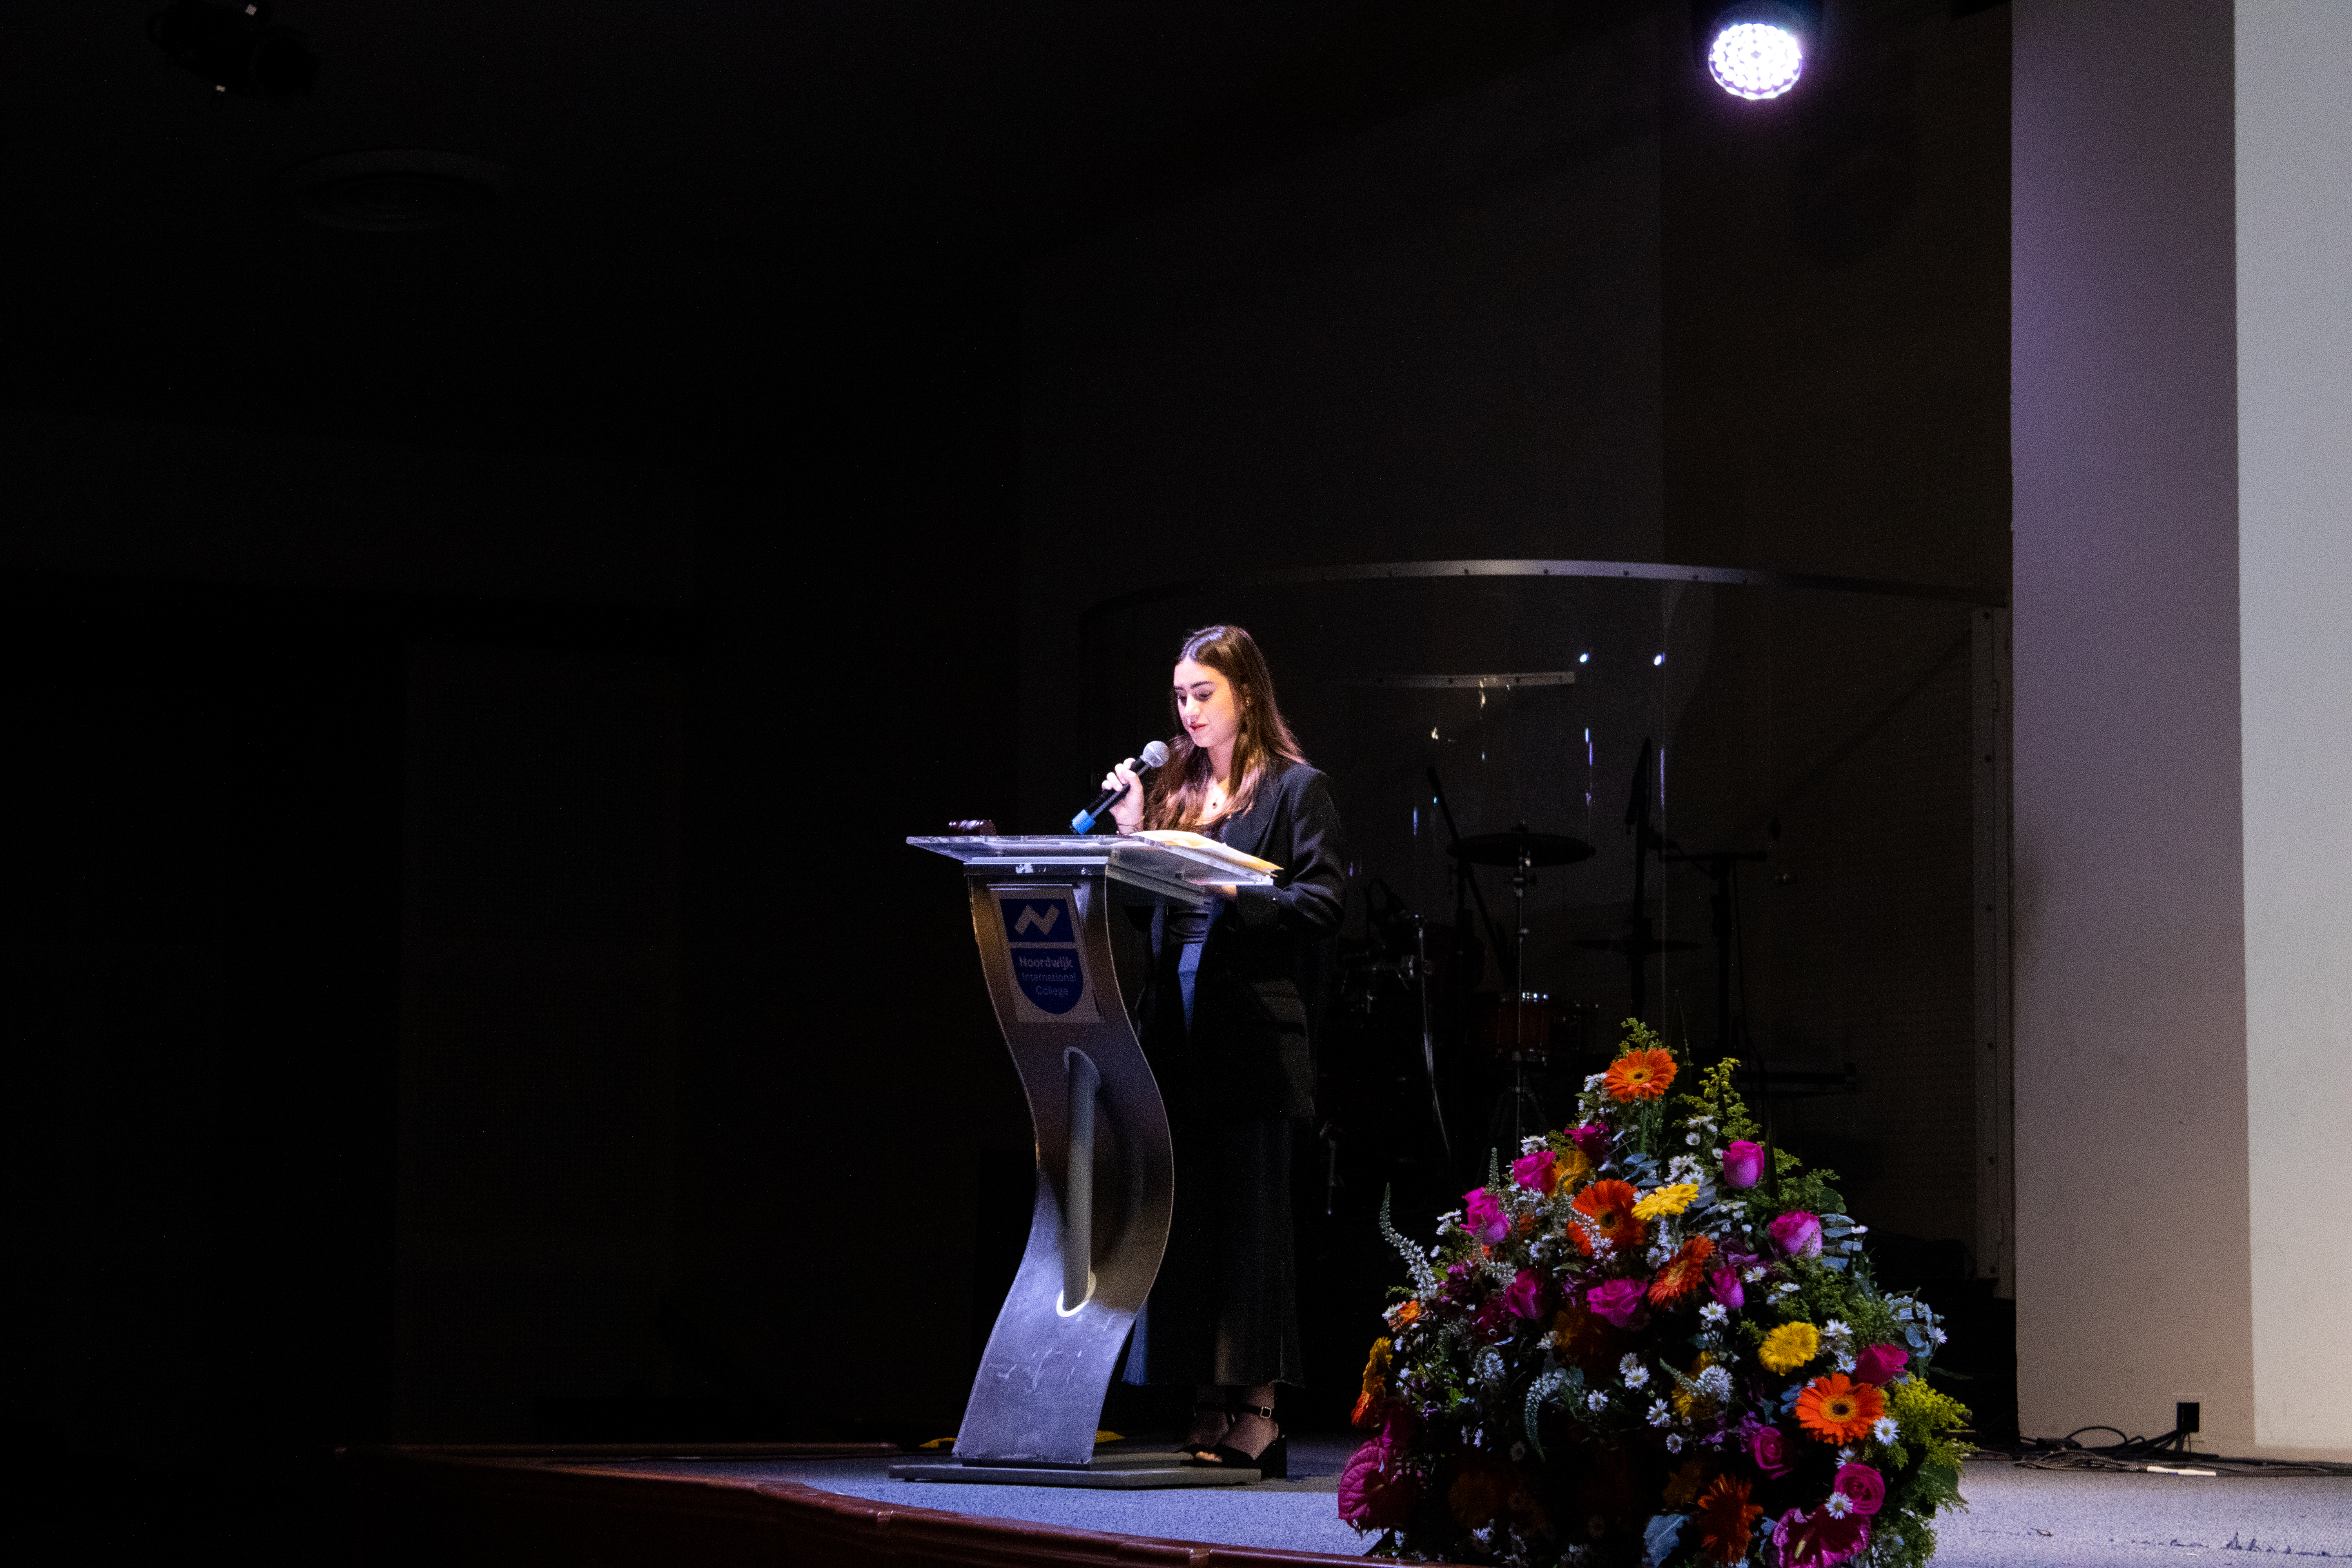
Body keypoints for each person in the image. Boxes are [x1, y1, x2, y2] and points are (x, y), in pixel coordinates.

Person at [1097, 623, 1345, 1479]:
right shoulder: (1175, 792)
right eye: (1179, 696)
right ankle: (1206, 1402)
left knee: (1251, 1225)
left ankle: (1260, 1414)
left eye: (1203, 693)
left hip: (1253, 1038)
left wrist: (1235, 885)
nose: (1189, 710)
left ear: (1245, 692)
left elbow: (1324, 902)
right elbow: (1144, 918)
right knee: (1192, 1221)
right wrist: (1132, 834)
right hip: (1177, 1035)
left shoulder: (1295, 790)